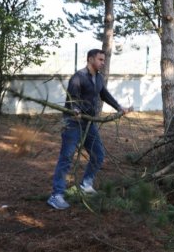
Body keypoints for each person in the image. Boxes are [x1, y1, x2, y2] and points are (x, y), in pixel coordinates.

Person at [47, 49, 130, 210]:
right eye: (100, 59)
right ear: (90, 59)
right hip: (73, 122)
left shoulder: (98, 78)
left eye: (103, 60)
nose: (103, 62)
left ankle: (86, 184)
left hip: (89, 123)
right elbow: (72, 97)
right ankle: (56, 195)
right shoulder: (78, 77)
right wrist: (75, 110)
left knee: (98, 155)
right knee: (66, 158)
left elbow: (104, 94)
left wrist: (119, 107)